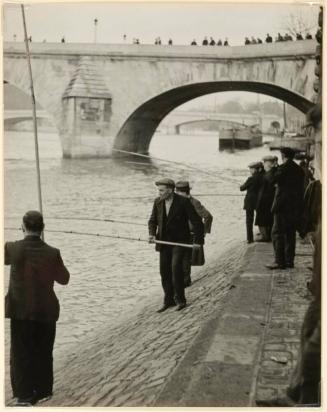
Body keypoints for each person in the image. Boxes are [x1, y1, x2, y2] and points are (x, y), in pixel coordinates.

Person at [5, 211, 70, 406]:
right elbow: (64, 279)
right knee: (43, 351)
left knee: (21, 352)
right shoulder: (52, 252)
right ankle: (43, 391)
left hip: (21, 311)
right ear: (43, 228)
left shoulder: (12, 248)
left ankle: (24, 395)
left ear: (23, 227)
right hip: (46, 310)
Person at [148, 178, 204, 312]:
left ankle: (181, 300)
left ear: (170, 190)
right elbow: (152, 221)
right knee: (164, 271)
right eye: (159, 190)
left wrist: (198, 242)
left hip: (180, 242)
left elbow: (197, 223)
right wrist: (152, 234)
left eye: (161, 190)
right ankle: (168, 301)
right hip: (164, 243)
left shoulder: (183, 202)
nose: (159, 193)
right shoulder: (158, 202)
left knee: (176, 270)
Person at [266, 147, 305, 270]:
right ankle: (289, 261)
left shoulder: (282, 168)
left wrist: (272, 168)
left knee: (277, 233)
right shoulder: (299, 170)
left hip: (282, 206)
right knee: (290, 234)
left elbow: (271, 180)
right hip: (295, 207)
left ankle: (279, 261)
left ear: (283, 156)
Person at [175, 181, 213, 287]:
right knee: (180, 258)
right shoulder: (178, 202)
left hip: (191, 234)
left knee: (186, 258)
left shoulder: (194, 202)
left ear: (182, 192)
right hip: (179, 234)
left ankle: (186, 281)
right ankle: (181, 281)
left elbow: (208, 216)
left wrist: (203, 232)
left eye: (177, 192)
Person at [240, 162, 263, 243]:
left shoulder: (251, 179)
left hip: (250, 202)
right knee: (261, 217)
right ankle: (264, 234)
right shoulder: (263, 177)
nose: (250, 170)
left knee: (249, 221)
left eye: (252, 169)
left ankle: (250, 239)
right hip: (260, 201)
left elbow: (242, 188)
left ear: (256, 169)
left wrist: (242, 185)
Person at [255, 155, 277, 242]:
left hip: (265, 202)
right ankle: (267, 235)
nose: (263, 165)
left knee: (263, 220)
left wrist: (258, 203)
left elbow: (264, 191)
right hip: (269, 201)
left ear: (268, 164)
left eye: (265, 163)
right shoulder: (271, 173)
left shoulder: (268, 175)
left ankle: (265, 236)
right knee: (268, 219)